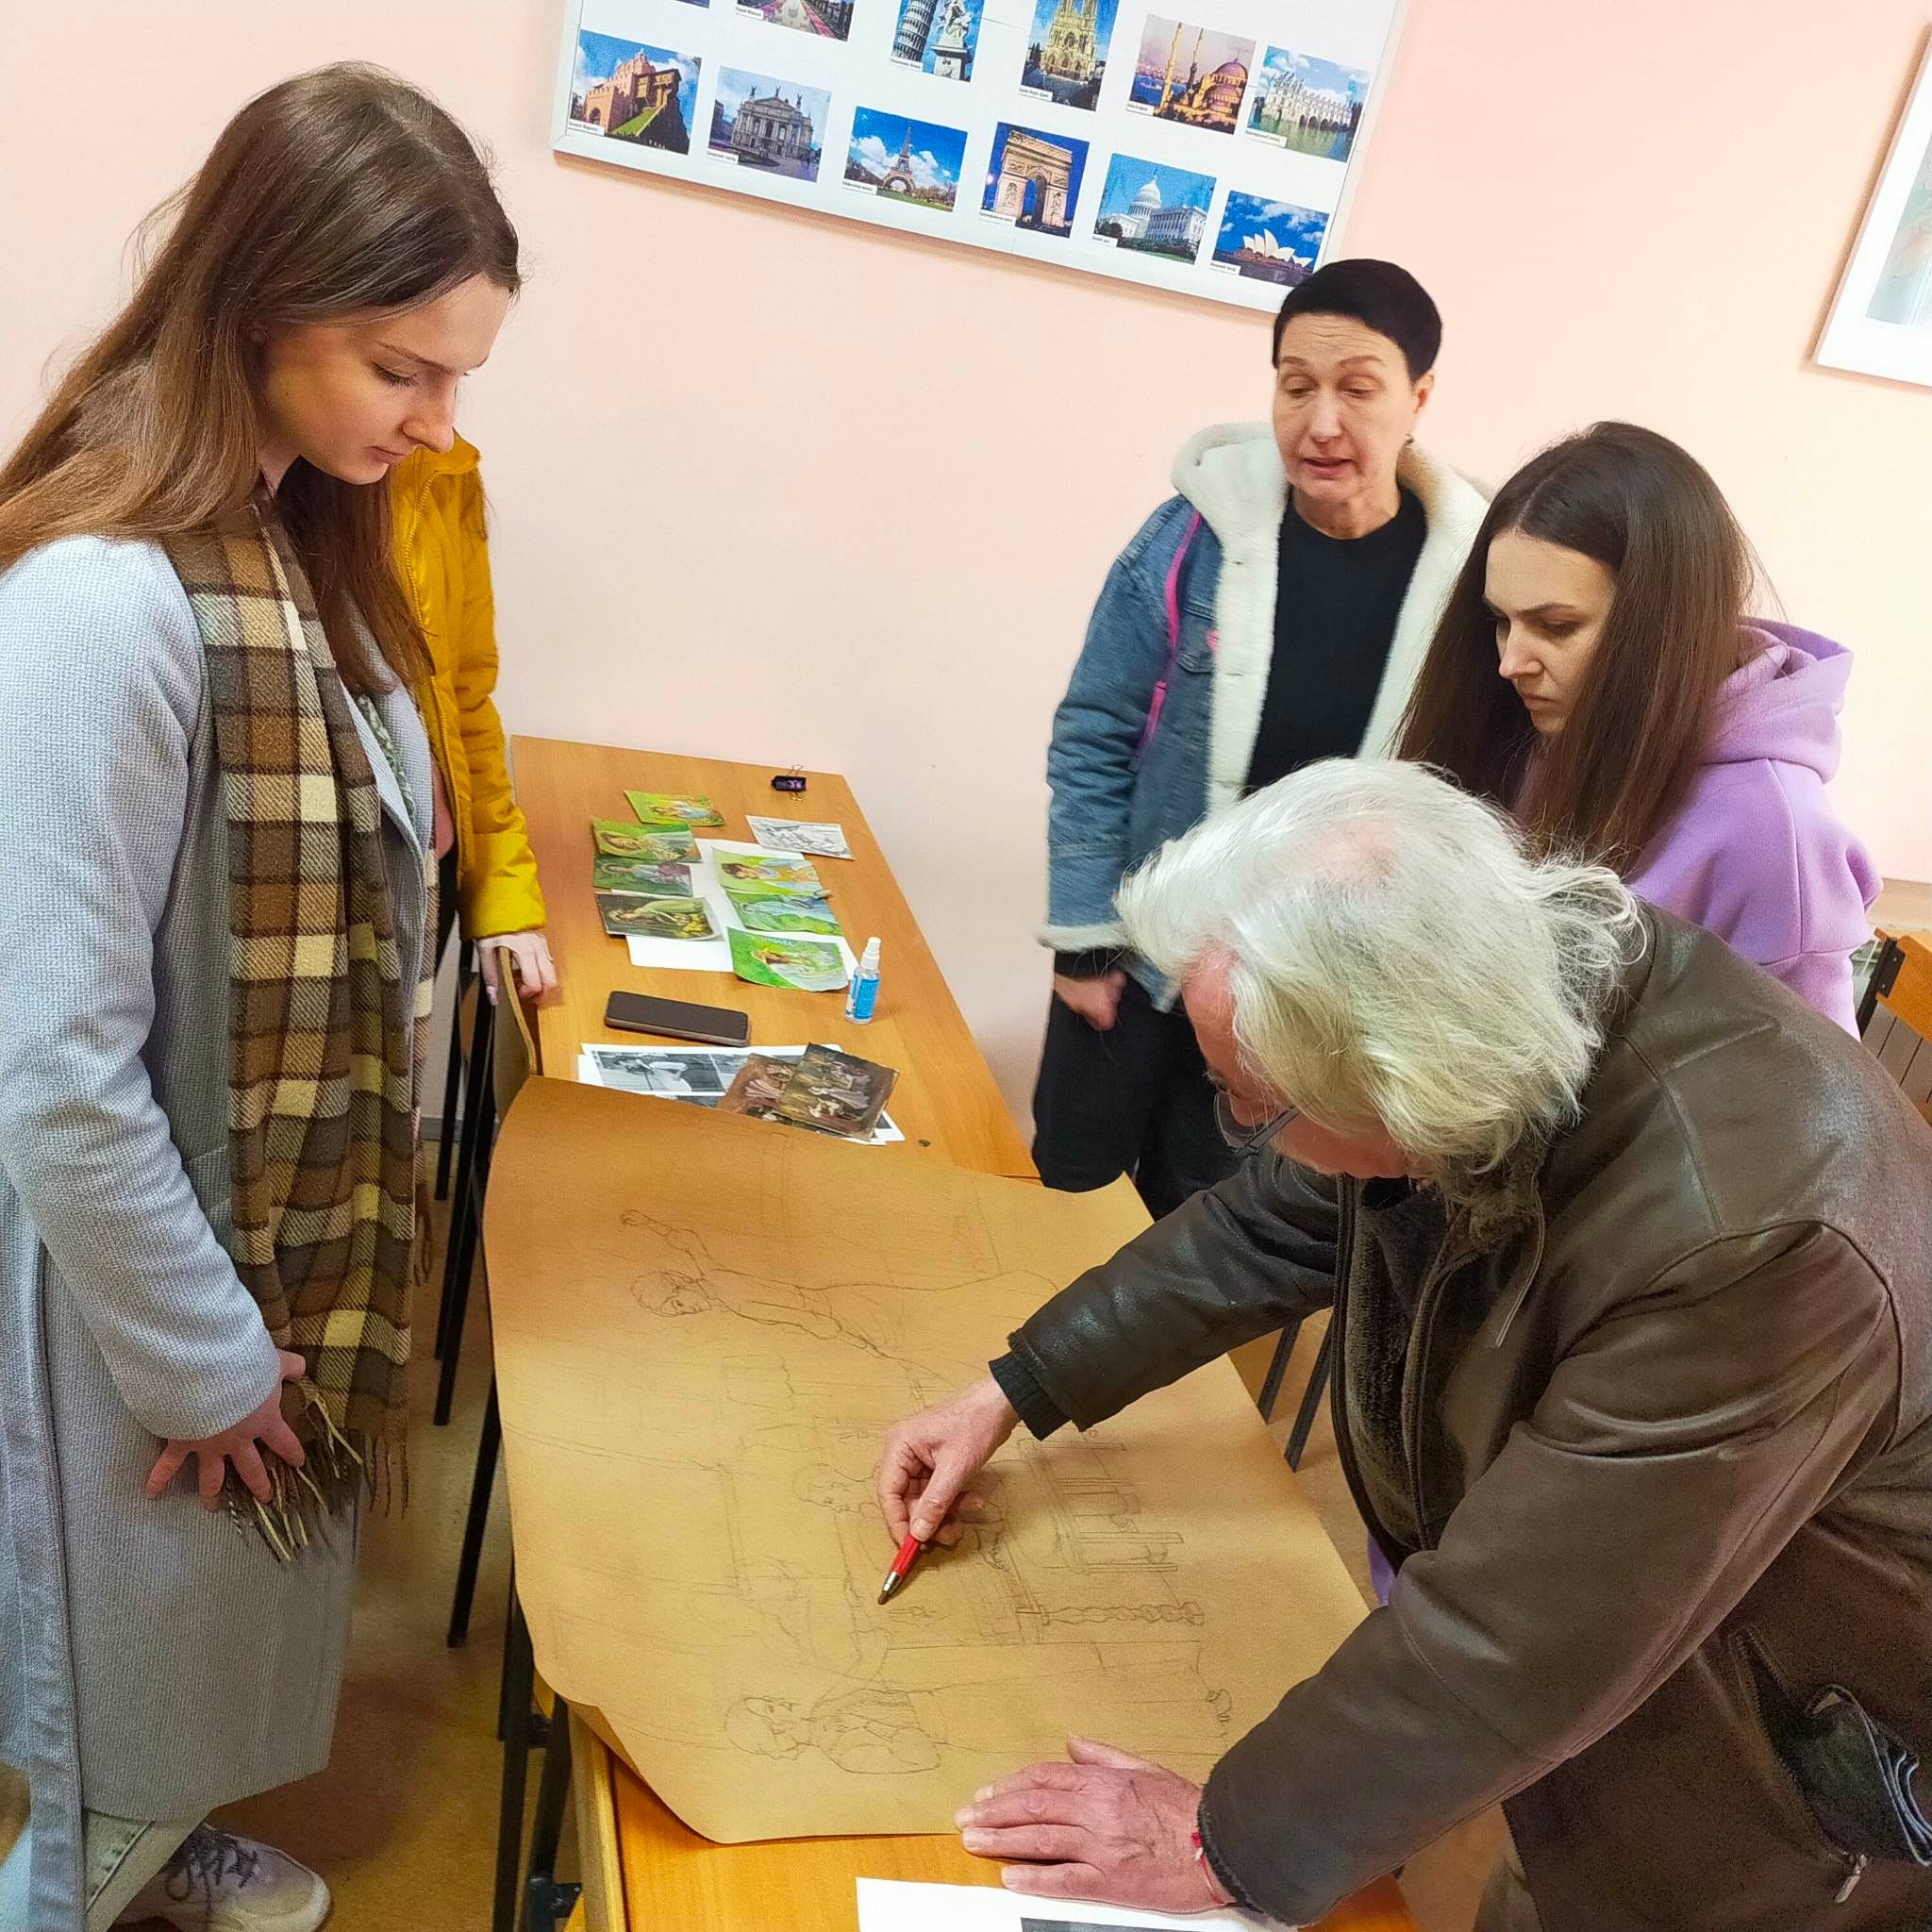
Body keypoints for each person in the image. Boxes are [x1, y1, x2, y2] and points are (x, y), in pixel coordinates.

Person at [880, 760, 1932, 1931]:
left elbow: (1519, 1632)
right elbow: (1267, 1221)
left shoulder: (1751, 1242)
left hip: (1793, 1766)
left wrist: (1218, 1838)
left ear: (1399, 1084)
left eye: (1253, 1101)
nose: (1241, 1127)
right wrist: (1012, 1386)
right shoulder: (1493, 998)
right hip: (1642, 1670)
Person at [0, 65, 517, 1932]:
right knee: (116, 1651)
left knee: (198, 1634)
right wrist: (202, 1357)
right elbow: (54, 1068)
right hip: (138, 1277)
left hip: (249, 1228)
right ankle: (83, 1879)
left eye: (455, 373)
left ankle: (154, 1845)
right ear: (262, 304)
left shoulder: (296, 541)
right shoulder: (101, 607)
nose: (438, 420)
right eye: (402, 367)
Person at [1034, 258, 1488, 1220]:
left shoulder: (1466, 584)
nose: (1320, 422)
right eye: (1295, 385)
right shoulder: (1191, 538)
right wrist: (1083, 935)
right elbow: (1094, 729)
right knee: (1060, 1197)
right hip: (1135, 960)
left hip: (1295, 997)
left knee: (1201, 1232)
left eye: (1357, 388)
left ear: (1418, 397)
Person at [1402, 419, 1877, 1032]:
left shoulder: (1776, 837)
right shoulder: (1537, 735)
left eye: (1556, 626)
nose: (1510, 662)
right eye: (1501, 621)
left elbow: (1800, 1088)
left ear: (1664, 624)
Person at [391, 436, 556, 1003]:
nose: (439, 428)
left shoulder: (445, 473)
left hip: (425, 874)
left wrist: (502, 892)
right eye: (398, 385)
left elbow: (464, 699)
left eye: (454, 391)